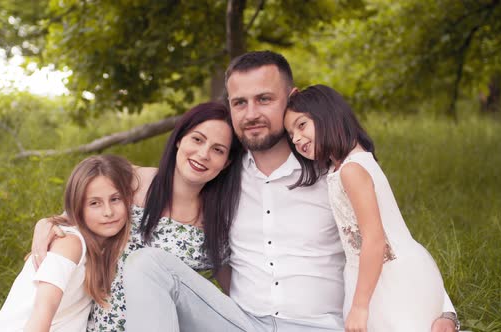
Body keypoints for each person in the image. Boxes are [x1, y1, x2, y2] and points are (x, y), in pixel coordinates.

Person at [122, 51, 460, 332]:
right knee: (146, 264)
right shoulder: (222, 171)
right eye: (239, 103)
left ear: (292, 98)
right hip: (242, 323)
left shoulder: (334, 172)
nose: (251, 113)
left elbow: (390, 239)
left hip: (323, 325)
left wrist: (444, 311)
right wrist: (76, 218)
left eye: (264, 99)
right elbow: (166, 180)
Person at [31, 102, 244, 331]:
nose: (203, 154)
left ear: (226, 163)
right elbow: (80, 211)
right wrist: (46, 223)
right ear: (180, 139)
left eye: (218, 150)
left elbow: (230, 298)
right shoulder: (134, 182)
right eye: (198, 139)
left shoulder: (218, 220)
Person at [284, 84, 450, 331]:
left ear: (328, 115)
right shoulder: (345, 165)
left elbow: (374, 240)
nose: (296, 138)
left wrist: (360, 306)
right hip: (375, 272)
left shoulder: (351, 170)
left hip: (389, 278)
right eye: (290, 134)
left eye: (301, 125)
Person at [0, 154, 134, 331]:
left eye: (115, 199)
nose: (108, 212)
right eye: (95, 203)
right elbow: (42, 312)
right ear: (77, 208)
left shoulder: (105, 247)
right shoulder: (70, 243)